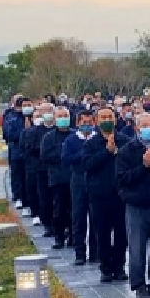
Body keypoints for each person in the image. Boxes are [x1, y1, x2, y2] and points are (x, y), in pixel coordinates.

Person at [116, 113, 150, 298]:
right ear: (137, 129)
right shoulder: (126, 151)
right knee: (137, 249)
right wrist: (144, 167)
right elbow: (122, 179)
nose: (149, 129)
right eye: (145, 126)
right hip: (136, 207)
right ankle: (139, 287)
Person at [84, 107, 129, 283]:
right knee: (101, 233)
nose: (107, 120)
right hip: (99, 195)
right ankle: (105, 268)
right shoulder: (91, 143)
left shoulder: (125, 141)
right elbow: (87, 165)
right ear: (97, 121)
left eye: (110, 117)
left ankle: (119, 266)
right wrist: (106, 152)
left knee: (121, 233)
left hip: (121, 195)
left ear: (115, 119)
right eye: (103, 117)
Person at [64, 110, 98, 266]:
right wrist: (83, 154)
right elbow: (66, 158)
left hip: (96, 179)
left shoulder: (97, 138)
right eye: (83, 122)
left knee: (96, 217)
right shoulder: (71, 140)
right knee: (78, 217)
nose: (86, 125)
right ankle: (79, 252)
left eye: (89, 122)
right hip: (78, 179)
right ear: (77, 123)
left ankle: (95, 252)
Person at [40, 106, 75, 250]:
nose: (63, 119)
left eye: (65, 115)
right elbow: (45, 156)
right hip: (57, 178)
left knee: (74, 210)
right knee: (59, 209)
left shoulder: (74, 135)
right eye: (60, 116)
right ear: (54, 118)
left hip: (74, 178)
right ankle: (59, 236)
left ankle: (73, 237)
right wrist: (62, 154)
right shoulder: (48, 137)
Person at [23, 103, 53, 232]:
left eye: (48, 111)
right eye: (42, 112)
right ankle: (45, 221)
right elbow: (29, 147)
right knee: (44, 197)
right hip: (39, 168)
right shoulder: (34, 131)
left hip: (56, 170)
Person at [4, 96, 27, 210]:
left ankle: (26, 198)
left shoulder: (32, 117)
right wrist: (24, 134)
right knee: (17, 174)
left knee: (26, 177)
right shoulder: (11, 118)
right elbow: (8, 134)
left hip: (28, 153)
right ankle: (17, 196)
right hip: (16, 150)